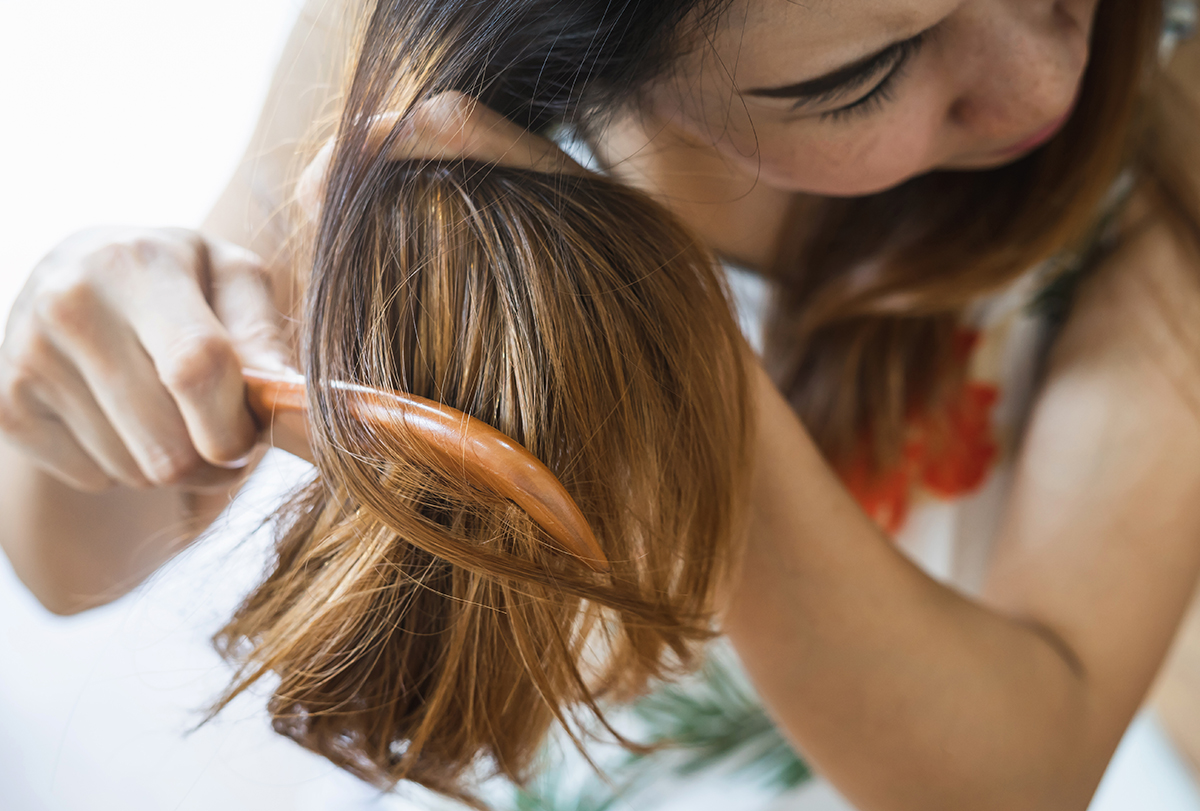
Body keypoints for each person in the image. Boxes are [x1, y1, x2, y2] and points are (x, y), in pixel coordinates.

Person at [2, 0, 1200, 809]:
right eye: (865, 73)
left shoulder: (1172, 110)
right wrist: (90, 367)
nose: (1047, 73)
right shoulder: (405, 47)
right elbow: (67, 564)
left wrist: (681, 367)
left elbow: (1022, 770)